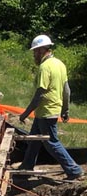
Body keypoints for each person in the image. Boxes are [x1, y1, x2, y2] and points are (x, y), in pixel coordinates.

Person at [18, 34, 84, 181]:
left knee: (51, 142)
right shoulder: (60, 64)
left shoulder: (45, 67)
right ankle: (26, 166)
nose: (34, 54)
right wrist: (65, 109)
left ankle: (74, 170)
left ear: (42, 50)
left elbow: (39, 94)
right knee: (34, 139)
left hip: (46, 112)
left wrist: (25, 114)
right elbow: (66, 90)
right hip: (47, 111)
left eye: (35, 51)